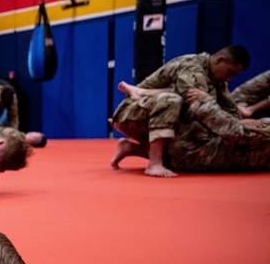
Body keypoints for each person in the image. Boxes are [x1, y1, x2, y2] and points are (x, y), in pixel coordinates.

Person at [110, 45, 250, 178]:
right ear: (220, 60)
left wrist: (241, 124)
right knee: (173, 100)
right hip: (130, 113)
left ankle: (131, 148)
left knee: (186, 149)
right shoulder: (192, 66)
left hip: (156, 115)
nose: (229, 79)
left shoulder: (219, 81)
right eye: (230, 72)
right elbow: (199, 106)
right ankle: (154, 164)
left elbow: (230, 110)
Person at [110, 84, 270, 173]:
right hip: (215, 146)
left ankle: (133, 142)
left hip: (208, 152)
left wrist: (205, 102)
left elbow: (238, 134)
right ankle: (133, 136)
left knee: (186, 151)